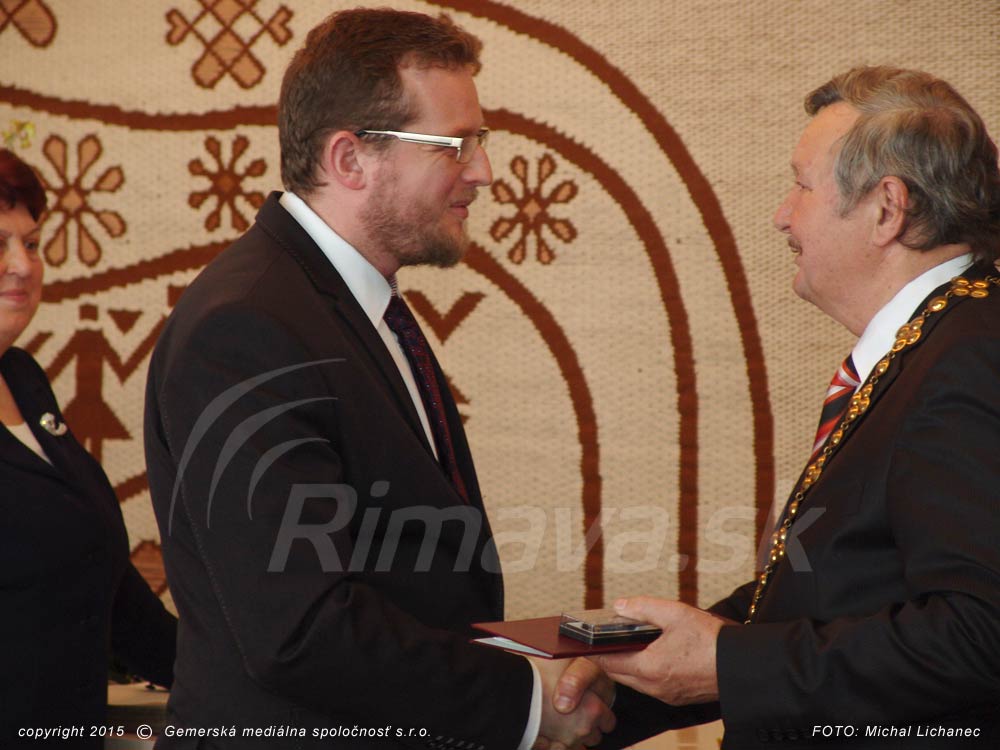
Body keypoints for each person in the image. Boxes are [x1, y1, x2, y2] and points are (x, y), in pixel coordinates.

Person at [144, 8, 611, 749]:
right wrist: (525, 702)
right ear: (350, 159)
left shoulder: (346, 303)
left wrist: (567, 656)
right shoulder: (246, 326)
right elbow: (300, 630)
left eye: (480, 141)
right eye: (455, 145)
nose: (483, 172)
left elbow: (405, 576)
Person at [557, 66, 1000, 748]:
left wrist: (725, 662)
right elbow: (839, 593)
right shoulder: (936, 343)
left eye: (802, 185)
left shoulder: (970, 357)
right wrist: (633, 684)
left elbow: (979, 634)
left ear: (888, 209)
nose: (782, 215)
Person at [0, 148, 176, 748]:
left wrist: (228, 673)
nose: (22, 265)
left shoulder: (23, 378)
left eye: (32, 243)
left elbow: (97, 570)